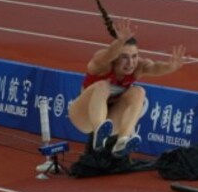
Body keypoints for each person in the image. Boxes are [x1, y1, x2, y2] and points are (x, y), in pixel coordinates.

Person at [68, 17, 186, 157]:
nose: (131, 63)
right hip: (84, 117)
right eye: (124, 57)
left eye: (134, 56)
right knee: (102, 86)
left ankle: (122, 141)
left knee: (138, 91)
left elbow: (154, 67)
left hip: (111, 119)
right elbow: (108, 54)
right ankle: (99, 133)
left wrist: (170, 67)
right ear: (115, 58)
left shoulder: (138, 67)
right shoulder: (102, 64)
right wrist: (119, 42)